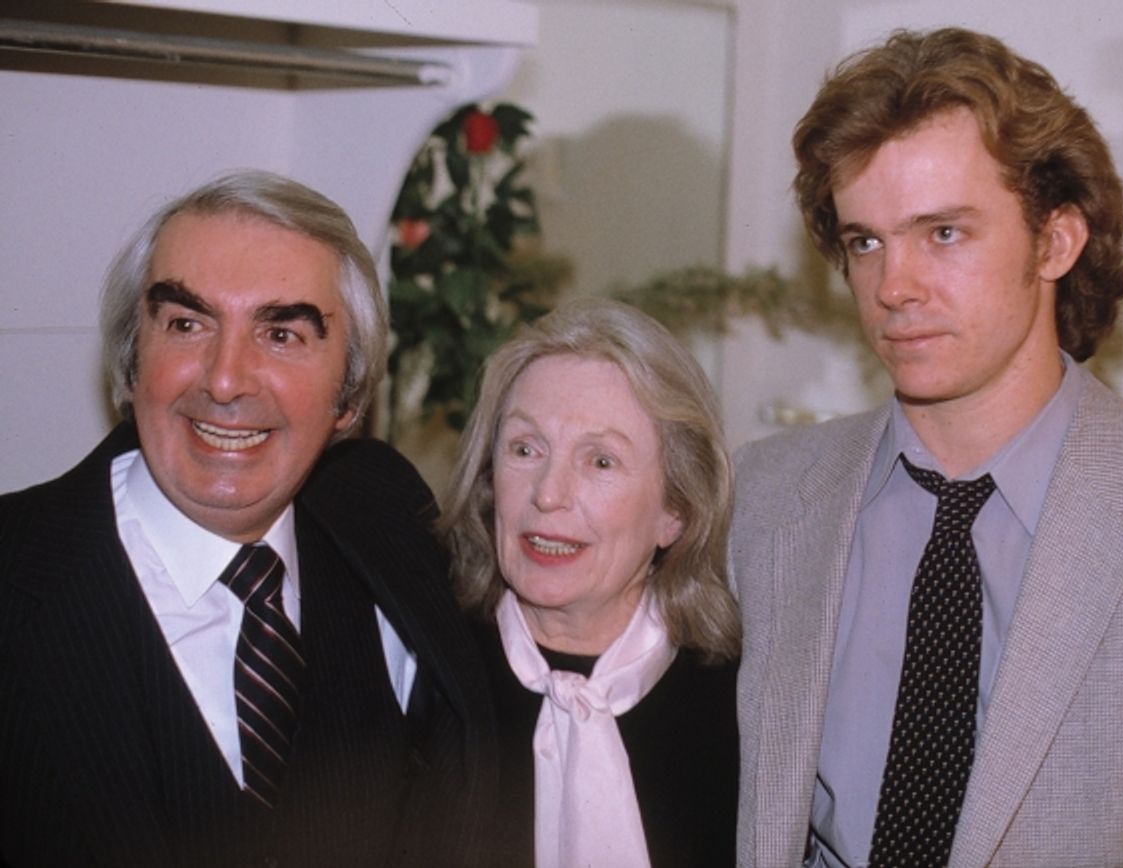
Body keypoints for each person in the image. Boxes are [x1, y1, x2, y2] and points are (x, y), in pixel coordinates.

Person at [730, 27, 1123, 867]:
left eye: (943, 233)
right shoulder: (763, 498)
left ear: (1056, 241)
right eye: (866, 241)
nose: (894, 287)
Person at [0, 170, 496, 868]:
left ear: (349, 396)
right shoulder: (17, 576)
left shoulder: (387, 513)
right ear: (131, 360)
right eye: (187, 324)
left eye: (282, 334)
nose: (225, 379)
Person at [438, 297, 740, 868]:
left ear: (675, 511)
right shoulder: (428, 673)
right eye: (525, 449)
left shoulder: (744, 703)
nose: (548, 494)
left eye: (600, 461)